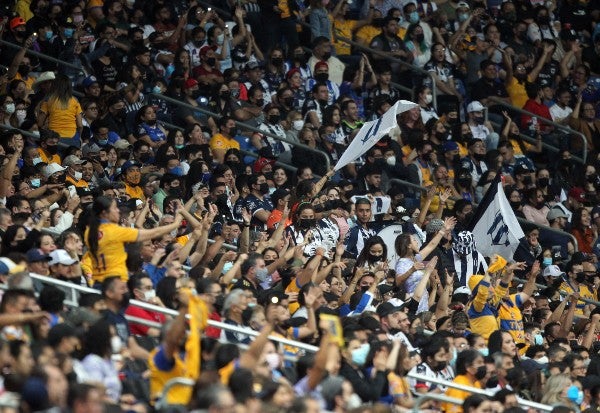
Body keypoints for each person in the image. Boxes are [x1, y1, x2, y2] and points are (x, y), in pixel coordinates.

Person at [83, 196, 183, 285]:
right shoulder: (114, 231)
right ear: (104, 213)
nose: (118, 211)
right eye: (114, 208)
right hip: (116, 283)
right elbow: (153, 233)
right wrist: (175, 224)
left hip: (99, 282)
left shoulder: (89, 231)